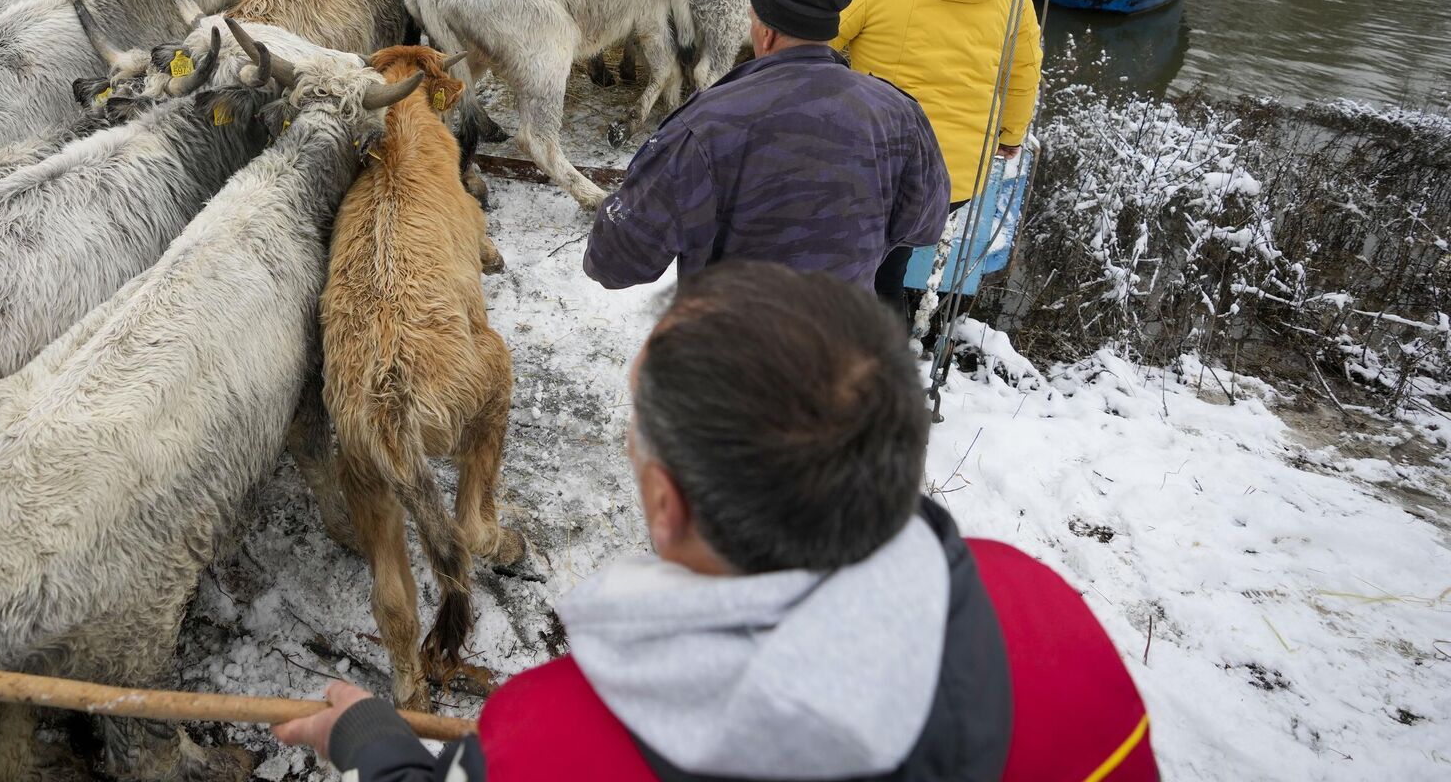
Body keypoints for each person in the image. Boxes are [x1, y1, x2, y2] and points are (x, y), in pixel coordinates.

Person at [275, 262, 1162, 781]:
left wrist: (373, 742)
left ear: (666, 506)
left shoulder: (552, 741)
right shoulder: (1051, 624)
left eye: (637, 429)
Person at [582, 0, 948, 291]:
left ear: (767, 34)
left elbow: (615, 260)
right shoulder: (899, 114)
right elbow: (925, 225)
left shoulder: (706, 125)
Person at [829, 0, 1041, 315]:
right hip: (957, 175)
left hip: (878, 165)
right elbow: (1023, 72)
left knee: (864, 268)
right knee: (891, 259)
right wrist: (1011, 135)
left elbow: (809, 47)